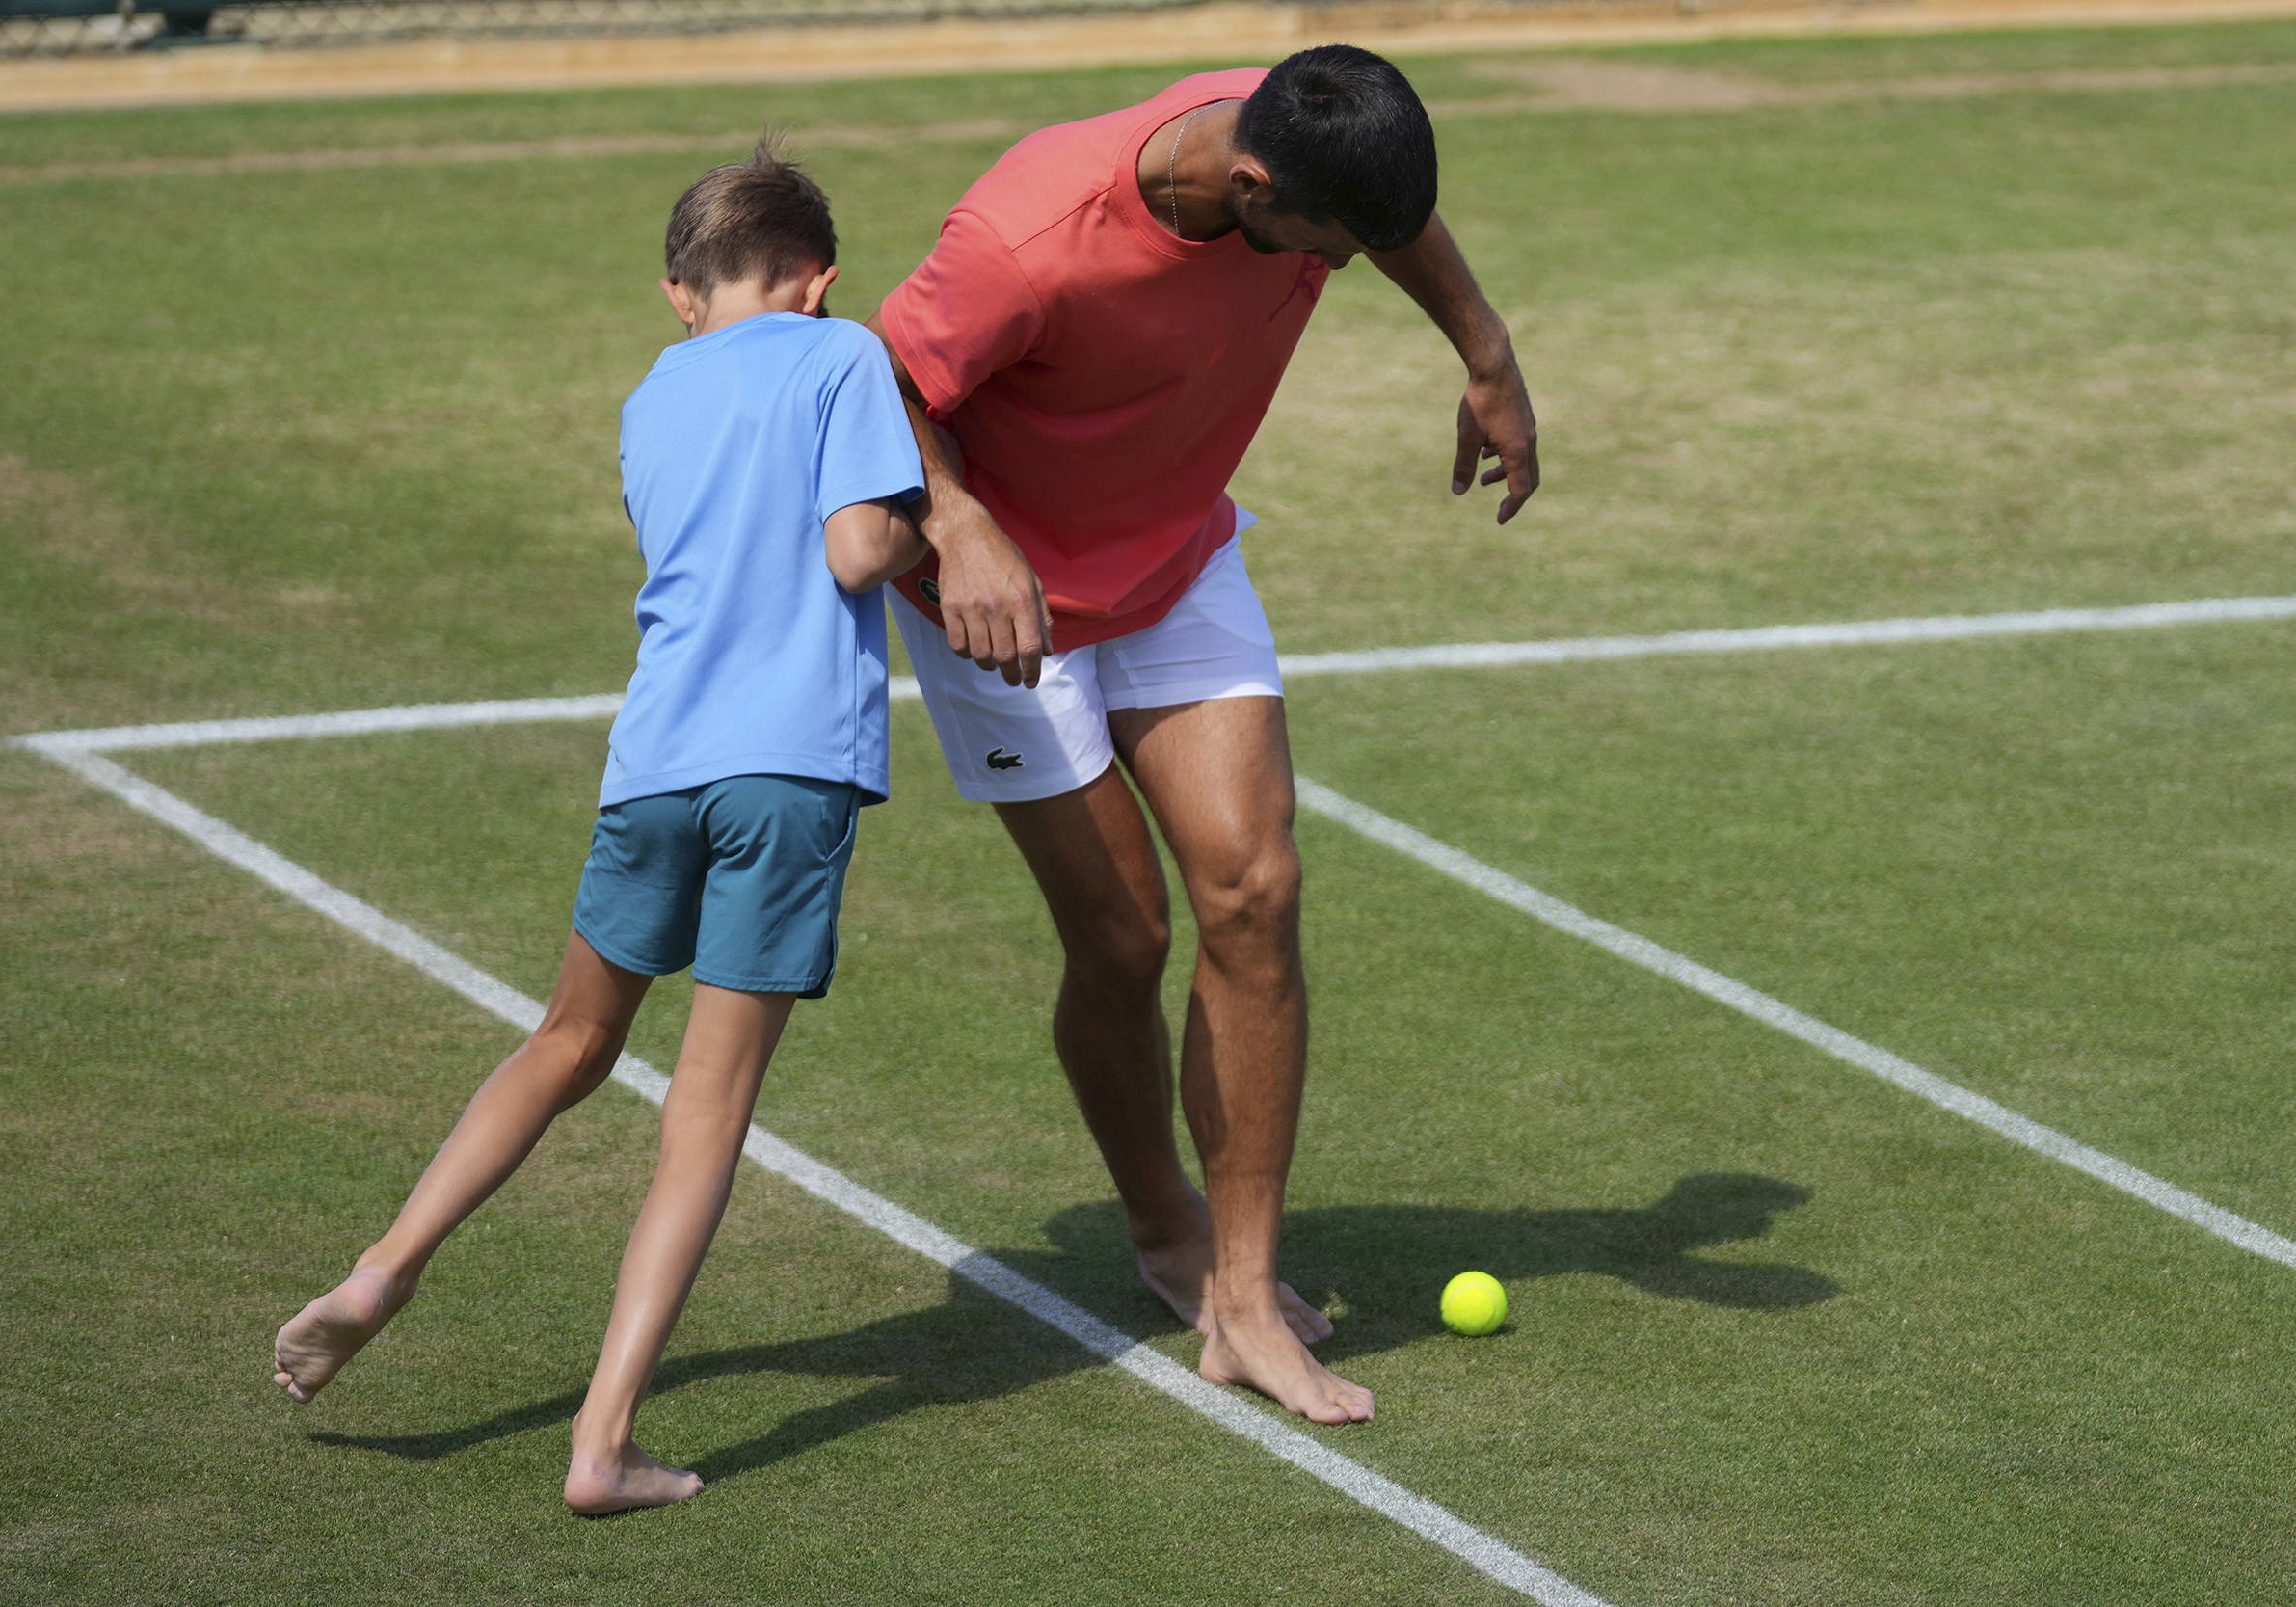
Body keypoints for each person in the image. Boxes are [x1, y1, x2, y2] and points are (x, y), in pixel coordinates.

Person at [866, 44, 1540, 1425]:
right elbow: (878, 379)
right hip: (1005, 598)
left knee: (1256, 888)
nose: (1343, 269)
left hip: (1173, 557)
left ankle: (1242, 1295)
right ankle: (1163, 1225)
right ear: (1250, 183)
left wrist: (1488, 352)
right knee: (1125, 939)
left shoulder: (1305, 128)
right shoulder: (1025, 239)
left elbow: (1396, 226)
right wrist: (958, 518)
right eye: (1330, 249)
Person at [270, 141, 926, 1513]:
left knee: (569, 1041)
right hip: (787, 771)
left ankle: (386, 1264)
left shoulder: (650, 394)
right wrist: (948, 537)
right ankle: (603, 1439)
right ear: (816, 282)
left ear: (680, 294)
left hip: (653, 767)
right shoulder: (845, 353)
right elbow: (858, 550)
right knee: (706, 1107)